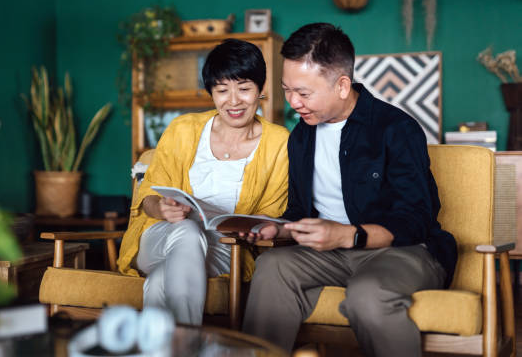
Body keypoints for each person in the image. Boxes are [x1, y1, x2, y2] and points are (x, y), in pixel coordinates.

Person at [242, 23, 457, 357]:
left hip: (404, 252)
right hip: (331, 255)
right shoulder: (301, 136)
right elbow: (300, 210)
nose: (293, 102)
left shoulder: (396, 129)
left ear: (342, 85)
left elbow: (416, 219)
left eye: (304, 93)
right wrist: (279, 228)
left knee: (368, 293)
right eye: (286, 90)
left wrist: (347, 235)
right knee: (272, 267)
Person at [117, 38, 289, 325]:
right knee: (185, 231)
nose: (233, 101)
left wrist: (252, 225)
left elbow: (273, 214)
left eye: (244, 89)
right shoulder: (182, 129)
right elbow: (147, 197)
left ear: (261, 89)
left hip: (227, 248)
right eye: (222, 90)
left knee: (161, 280)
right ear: (211, 92)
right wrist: (161, 208)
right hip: (161, 236)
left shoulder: (279, 143)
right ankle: (188, 343)